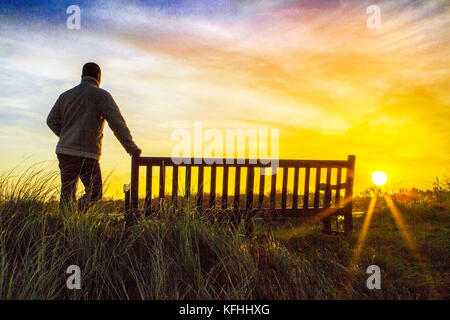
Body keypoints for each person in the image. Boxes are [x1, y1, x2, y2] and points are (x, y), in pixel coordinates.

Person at [47, 62, 141, 211]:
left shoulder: (65, 96)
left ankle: (67, 223)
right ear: (99, 77)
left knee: (67, 192)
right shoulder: (101, 96)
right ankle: (77, 215)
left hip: (65, 151)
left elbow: (51, 120)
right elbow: (117, 124)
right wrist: (131, 147)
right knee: (95, 192)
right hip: (88, 154)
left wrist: (66, 136)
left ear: (82, 76)